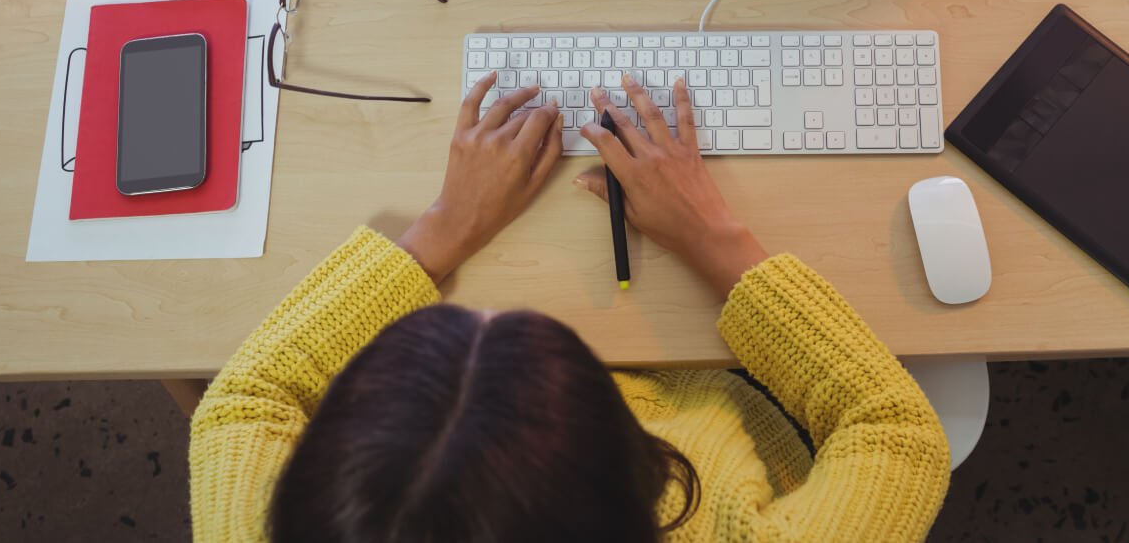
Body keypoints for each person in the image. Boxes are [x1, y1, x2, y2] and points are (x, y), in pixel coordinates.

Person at [190, 72, 951, 542]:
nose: (490, 311)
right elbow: (897, 431)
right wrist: (714, 237)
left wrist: (441, 233)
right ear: (637, 487)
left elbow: (241, 403)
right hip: (741, 398)